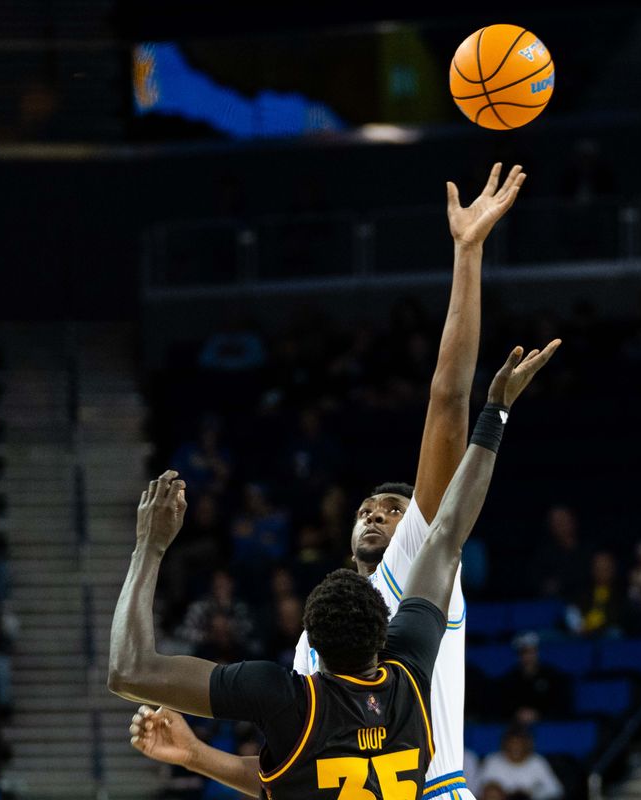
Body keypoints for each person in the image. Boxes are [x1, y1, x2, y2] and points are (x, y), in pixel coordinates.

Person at [116, 163, 531, 800]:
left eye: (393, 508)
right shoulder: (343, 649)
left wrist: (468, 255)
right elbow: (298, 776)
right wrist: (199, 756)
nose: (376, 514)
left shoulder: (412, 565)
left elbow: (446, 401)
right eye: (368, 507)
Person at [110, 339, 556, 800]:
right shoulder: (409, 674)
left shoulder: (288, 699)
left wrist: (150, 544)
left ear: (310, 645)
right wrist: (497, 410)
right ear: (386, 629)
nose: (376, 516)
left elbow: (128, 671)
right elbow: (448, 531)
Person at [475, 727, 564, 800]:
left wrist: (531, 794)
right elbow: (477, 790)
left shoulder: (537, 762)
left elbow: (555, 790)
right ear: (505, 745)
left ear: (527, 746)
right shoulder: (492, 761)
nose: (515, 748)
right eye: (512, 744)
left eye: (519, 744)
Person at [497, 632, 567, 724]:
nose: (528, 656)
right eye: (524, 652)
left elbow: (560, 705)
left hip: (547, 725)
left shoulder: (553, 676)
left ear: (537, 652)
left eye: (532, 651)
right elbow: (503, 706)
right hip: (516, 727)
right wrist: (517, 714)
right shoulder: (509, 679)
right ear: (518, 655)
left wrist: (538, 714)